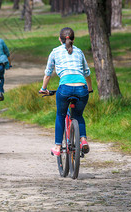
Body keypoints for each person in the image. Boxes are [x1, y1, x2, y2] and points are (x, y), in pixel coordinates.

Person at [39, 27, 93, 156]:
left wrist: (43, 89)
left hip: (65, 88)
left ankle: (58, 146)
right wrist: (89, 88)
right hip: (82, 88)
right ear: (73, 39)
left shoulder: (55, 52)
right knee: (78, 115)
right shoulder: (79, 52)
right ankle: (83, 140)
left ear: (60, 39)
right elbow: (87, 73)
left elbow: (48, 74)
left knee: (60, 115)